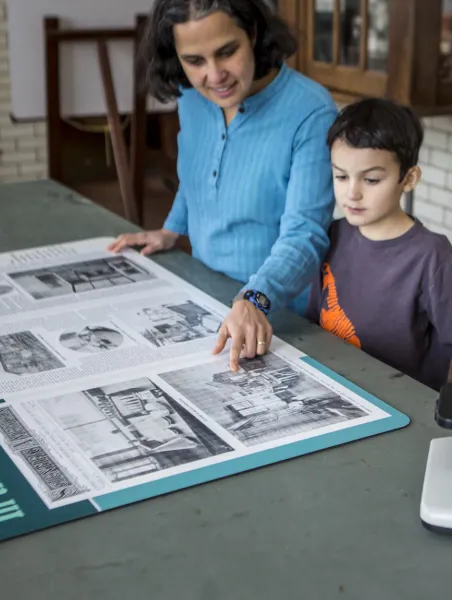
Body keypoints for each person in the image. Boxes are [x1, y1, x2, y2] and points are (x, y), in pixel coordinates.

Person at [108, 0, 337, 371]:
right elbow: (197, 175)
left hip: (281, 320)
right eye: (194, 60)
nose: (214, 76)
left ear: (254, 34)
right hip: (205, 297)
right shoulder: (190, 97)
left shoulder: (310, 110)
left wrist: (255, 297)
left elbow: (305, 233)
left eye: (227, 52)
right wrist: (170, 230)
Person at [306, 98, 452, 391]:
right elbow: (312, 320)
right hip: (331, 388)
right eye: (341, 176)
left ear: (408, 178)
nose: (351, 193)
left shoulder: (431, 255)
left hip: (401, 405)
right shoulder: (331, 234)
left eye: (371, 180)